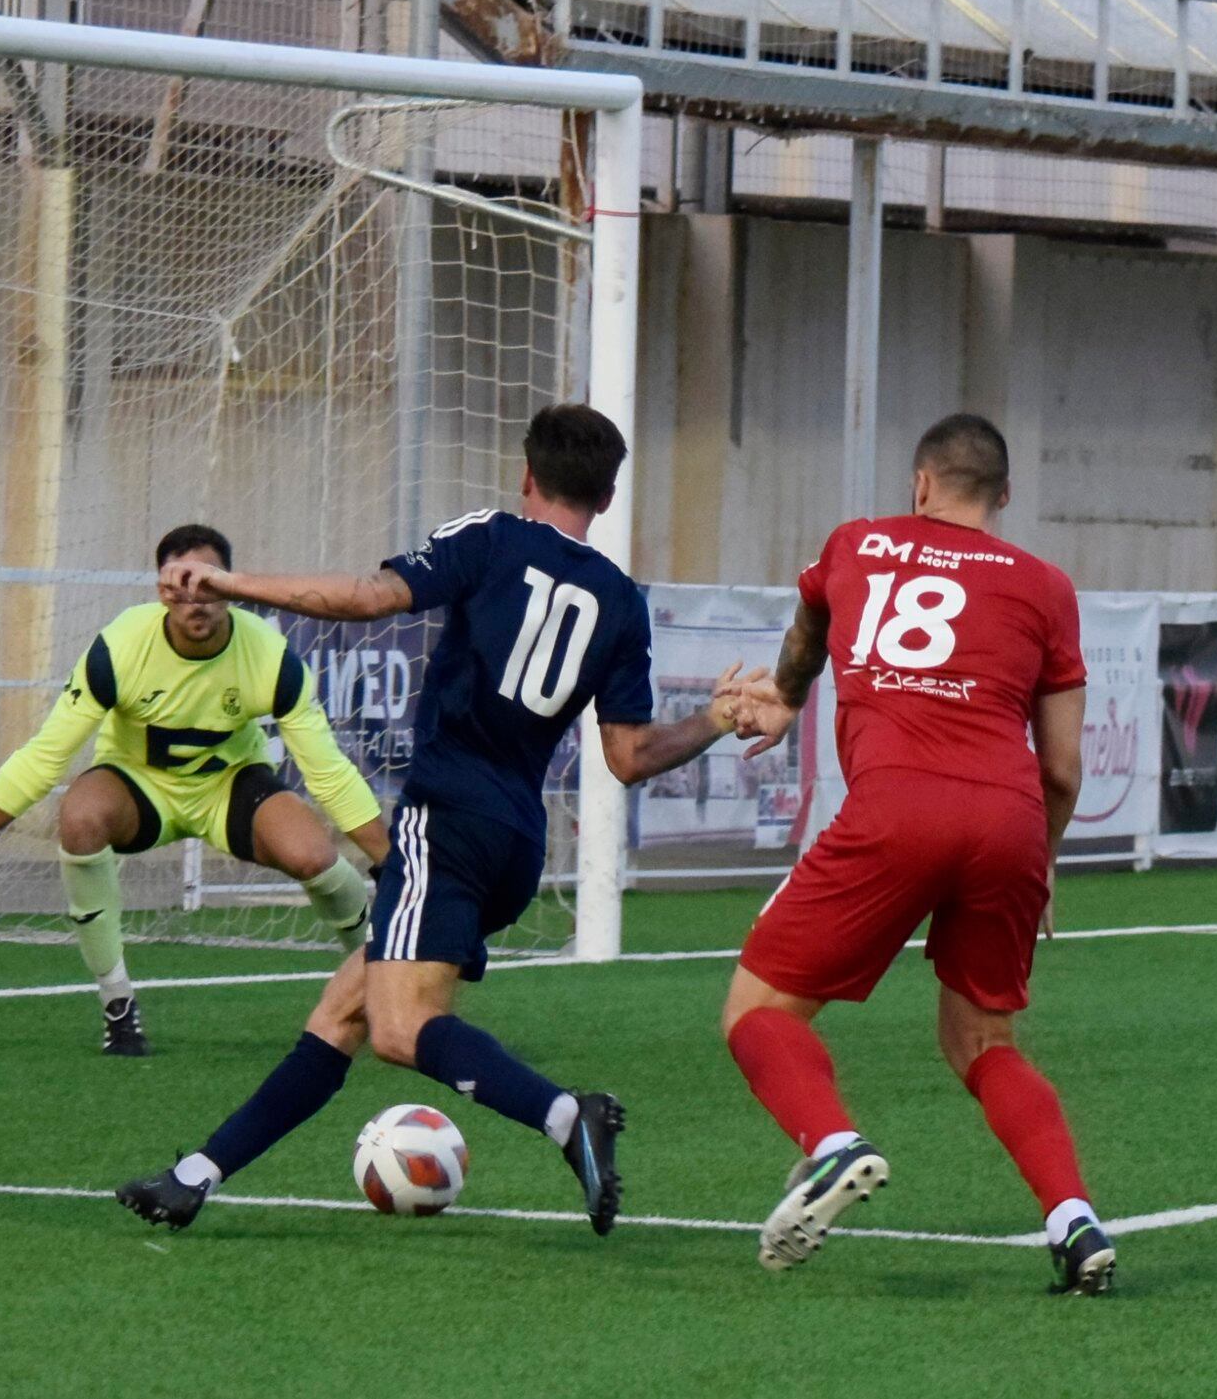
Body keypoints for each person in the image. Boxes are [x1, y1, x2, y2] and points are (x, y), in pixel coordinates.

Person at [116, 404, 746, 1234]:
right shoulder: (622, 601)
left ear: (527, 477)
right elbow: (628, 758)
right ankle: (194, 1176)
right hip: (517, 844)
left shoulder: (492, 535)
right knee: (345, 1008)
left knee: (401, 1026)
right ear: (609, 492)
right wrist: (717, 720)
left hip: (443, 819)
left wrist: (232, 583)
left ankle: (566, 1116)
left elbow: (371, 597)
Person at [726, 414, 1112, 1294]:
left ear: (921, 483)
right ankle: (1075, 1220)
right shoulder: (1046, 585)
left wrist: (785, 698)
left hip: (898, 804)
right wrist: (1040, 861)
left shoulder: (857, 543)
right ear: (1003, 496)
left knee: (758, 1007)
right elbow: (1061, 764)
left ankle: (832, 1144)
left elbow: (807, 624)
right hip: (1008, 817)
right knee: (982, 1038)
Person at [0, 524, 390, 1056]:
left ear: (232, 587)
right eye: (181, 586)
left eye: (210, 585)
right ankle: (117, 1004)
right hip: (138, 786)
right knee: (79, 816)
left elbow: (327, 770)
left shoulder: (271, 657)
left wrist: (392, 864)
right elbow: (46, 755)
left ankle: (379, 982)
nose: (198, 601)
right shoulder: (120, 647)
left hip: (228, 785)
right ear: (162, 591)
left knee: (316, 857)